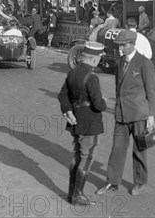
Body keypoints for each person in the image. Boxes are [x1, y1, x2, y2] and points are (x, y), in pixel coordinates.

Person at [97, 30, 155, 197]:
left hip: (139, 114)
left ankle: (139, 182)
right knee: (117, 149)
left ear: (132, 44)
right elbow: (118, 87)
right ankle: (112, 182)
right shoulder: (120, 62)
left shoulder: (145, 63)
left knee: (140, 150)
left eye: (123, 45)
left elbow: (152, 91)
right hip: (121, 114)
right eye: (119, 45)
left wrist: (151, 116)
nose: (120, 48)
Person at [58, 41, 107, 206]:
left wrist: (68, 111)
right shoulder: (92, 77)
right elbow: (98, 104)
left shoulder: (73, 72)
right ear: (94, 59)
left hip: (74, 119)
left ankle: (72, 193)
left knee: (77, 154)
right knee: (87, 157)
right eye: (99, 57)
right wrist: (104, 103)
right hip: (89, 122)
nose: (100, 60)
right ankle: (78, 195)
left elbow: (62, 95)